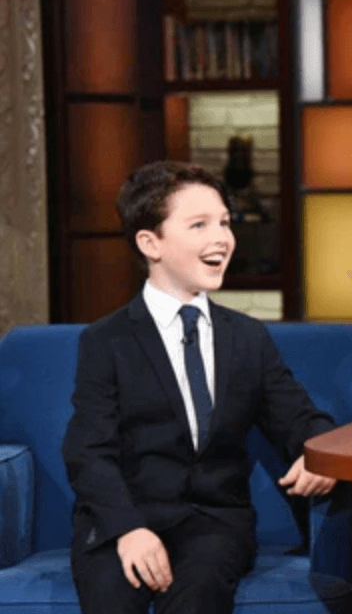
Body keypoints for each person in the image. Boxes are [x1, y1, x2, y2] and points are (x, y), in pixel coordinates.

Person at [62, 161, 337, 614]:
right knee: (113, 596)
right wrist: (128, 530)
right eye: (199, 225)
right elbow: (88, 450)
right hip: (124, 519)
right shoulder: (106, 340)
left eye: (224, 223)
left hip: (214, 524)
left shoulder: (247, 338)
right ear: (150, 243)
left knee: (198, 595)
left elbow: (301, 419)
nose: (222, 238)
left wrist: (320, 453)